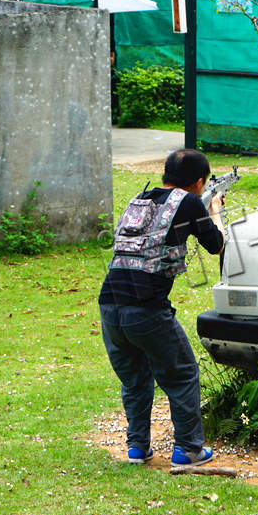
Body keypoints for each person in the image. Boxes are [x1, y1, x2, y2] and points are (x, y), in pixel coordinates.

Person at [98, 149, 225, 468]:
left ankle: (137, 448)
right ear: (198, 183)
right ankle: (188, 450)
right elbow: (216, 244)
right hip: (146, 309)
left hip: (110, 305)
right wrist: (215, 210)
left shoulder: (139, 198)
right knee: (182, 373)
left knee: (136, 378)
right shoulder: (190, 201)